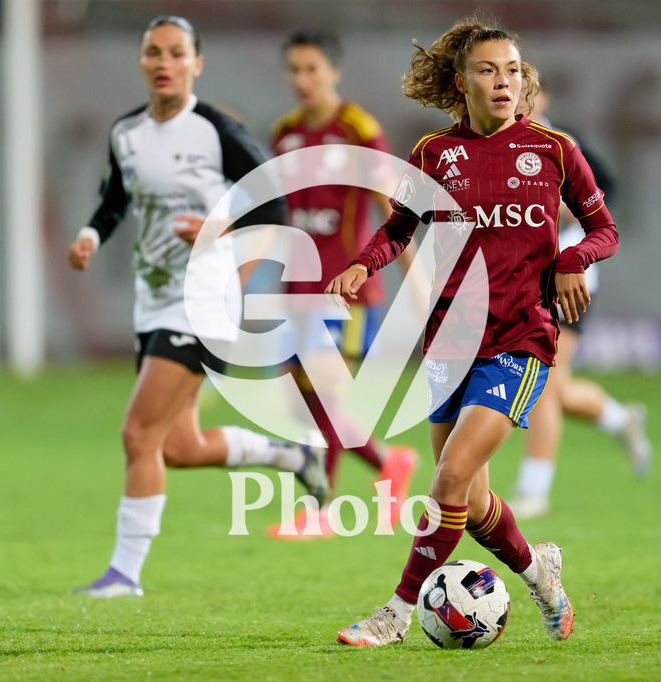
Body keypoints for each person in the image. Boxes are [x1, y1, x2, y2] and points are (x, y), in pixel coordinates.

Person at [325, 15, 618, 646]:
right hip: (450, 342)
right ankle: (540, 573)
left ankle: (396, 614)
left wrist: (572, 258)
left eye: (513, 69)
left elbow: (605, 231)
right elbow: (398, 229)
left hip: (522, 338)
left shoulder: (554, 150)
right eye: (488, 69)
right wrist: (361, 264)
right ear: (461, 82)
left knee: (451, 476)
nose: (503, 81)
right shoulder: (434, 155)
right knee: (475, 505)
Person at [68, 15, 328, 598]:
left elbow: (274, 206)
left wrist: (217, 226)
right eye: (153, 52)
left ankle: (124, 575)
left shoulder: (215, 131)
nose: (164, 62)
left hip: (204, 302)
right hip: (152, 301)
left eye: (176, 53)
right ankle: (285, 455)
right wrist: (90, 233)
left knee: (137, 433)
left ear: (196, 65)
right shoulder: (127, 132)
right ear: (142, 62)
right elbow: (113, 199)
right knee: (178, 447)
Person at [264, 30, 418, 538]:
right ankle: (388, 462)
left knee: (327, 399)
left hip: (346, 294)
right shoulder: (283, 133)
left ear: (334, 72)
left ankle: (321, 511)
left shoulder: (357, 129)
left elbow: (390, 212)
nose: (301, 80)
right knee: (302, 402)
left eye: (312, 69)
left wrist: (415, 281)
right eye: (294, 70)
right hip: (296, 292)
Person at [510, 86, 652, 521]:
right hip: (516, 280)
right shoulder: (490, 146)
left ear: (543, 99)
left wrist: (573, 213)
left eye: (524, 93)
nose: (515, 101)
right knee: (550, 385)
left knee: (546, 383)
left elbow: (605, 187)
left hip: (568, 279)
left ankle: (533, 491)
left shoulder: (563, 143)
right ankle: (617, 418)